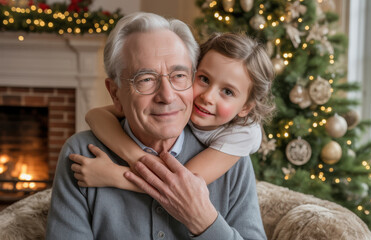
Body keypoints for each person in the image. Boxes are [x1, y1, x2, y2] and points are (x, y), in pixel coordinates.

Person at [46, 12, 268, 239]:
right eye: (146, 79)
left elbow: (179, 188)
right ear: (115, 93)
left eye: (179, 75)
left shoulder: (232, 156)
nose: (167, 96)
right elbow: (96, 115)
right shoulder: (82, 155)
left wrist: (204, 222)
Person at [68, 32, 276, 194]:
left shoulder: (244, 134)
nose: (208, 97)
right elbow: (95, 115)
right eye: (204, 79)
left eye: (228, 92)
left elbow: (179, 184)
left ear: (245, 108)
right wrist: (134, 155)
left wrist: (114, 175)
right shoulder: (179, 106)